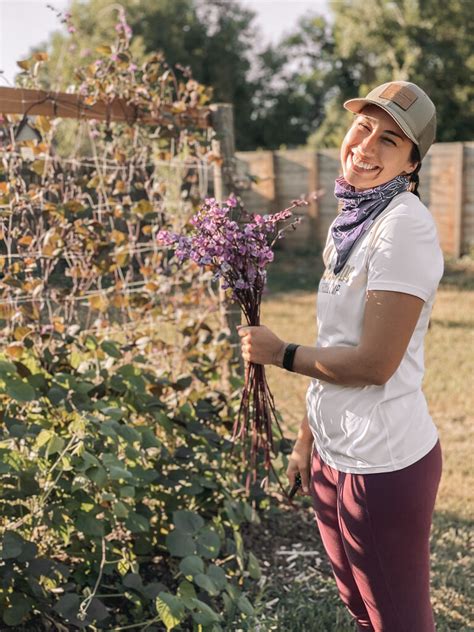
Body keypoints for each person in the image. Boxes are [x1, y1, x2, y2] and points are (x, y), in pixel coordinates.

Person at [237, 80, 443, 632]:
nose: (367, 146)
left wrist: (281, 354)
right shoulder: (351, 220)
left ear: (411, 164)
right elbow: (336, 340)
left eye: (391, 140)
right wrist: (309, 444)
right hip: (335, 454)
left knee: (398, 621)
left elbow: (376, 364)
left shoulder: (404, 227)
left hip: (382, 463)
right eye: (363, 127)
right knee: (360, 607)